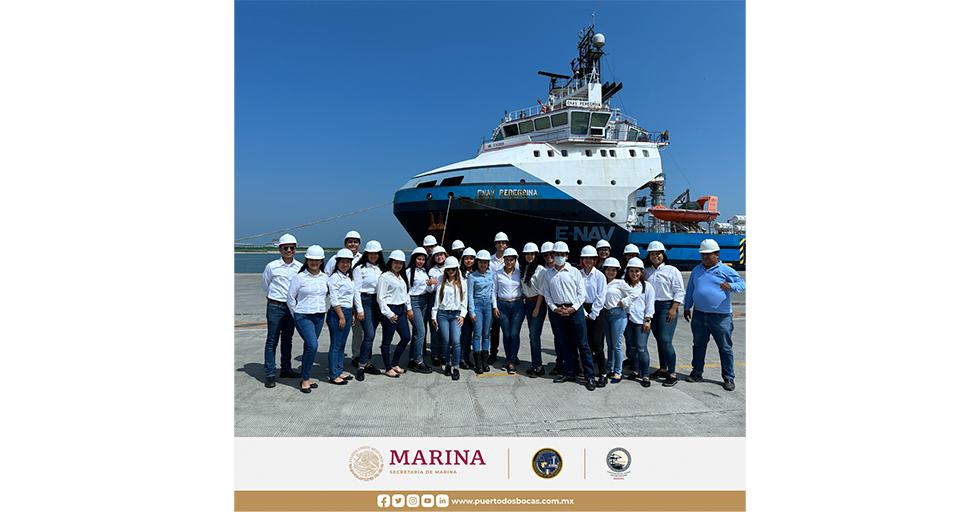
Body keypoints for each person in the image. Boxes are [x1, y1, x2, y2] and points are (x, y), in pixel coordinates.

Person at [683, 239, 745, 391]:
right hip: (699, 314)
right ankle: (697, 372)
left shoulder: (726, 270)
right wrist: (686, 307)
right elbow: (691, 289)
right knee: (698, 345)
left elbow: (742, 284)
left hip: (720, 317)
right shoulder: (697, 270)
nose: (705, 257)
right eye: (703, 254)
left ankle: (728, 377)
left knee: (725, 348)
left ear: (717, 254)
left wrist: (731, 286)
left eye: (708, 254)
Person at [541, 241, 597, 391]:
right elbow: (547, 294)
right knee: (564, 343)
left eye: (561, 254)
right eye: (556, 254)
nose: (559, 257)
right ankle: (569, 372)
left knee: (583, 344)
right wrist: (554, 309)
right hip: (558, 312)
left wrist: (572, 309)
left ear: (567, 256)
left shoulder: (575, 272)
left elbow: (581, 294)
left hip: (575, 311)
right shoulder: (548, 274)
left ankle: (589, 376)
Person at [286, 245, 329, 393]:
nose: (314, 263)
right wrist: (296, 314)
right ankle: (305, 380)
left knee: (308, 347)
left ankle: (307, 377)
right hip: (303, 316)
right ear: (306, 260)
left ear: (322, 261)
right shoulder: (300, 277)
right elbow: (290, 298)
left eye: (317, 260)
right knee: (313, 345)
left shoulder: (325, 277)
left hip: (319, 316)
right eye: (311, 260)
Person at [261, 233, 302, 388]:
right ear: (280, 249)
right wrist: (271, 299)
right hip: (275, 306)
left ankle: (286, 368)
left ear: (295, 249)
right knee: (272, 340)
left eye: (292, 247)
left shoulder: (299, 267)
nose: (289, 250)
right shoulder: (272, 266)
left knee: (287, 339)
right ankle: (270, 373)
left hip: (291, 307)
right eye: (286, 248)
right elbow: (265, 285)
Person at [644, 241, 685, 387]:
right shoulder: (647, 271)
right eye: (652, 254)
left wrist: (673, 309)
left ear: (663, 254)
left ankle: (672, 373)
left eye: (658, 254)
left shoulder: (672, 270)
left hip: (667, 306)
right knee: (659, 340)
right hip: (652, 307)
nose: (655, 256)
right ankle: (663, 369)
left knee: (665, 340)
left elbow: (679, 291)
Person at [600, 258, 639, 384]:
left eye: (613, 270)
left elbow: (634, 294)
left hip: (618, 315)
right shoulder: (602, 282)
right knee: (609, 344)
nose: (610, 272)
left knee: (616, 345)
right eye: (608, 269)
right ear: (604, 270)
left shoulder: (620, 283)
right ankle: (609, 368)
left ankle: (618, 372)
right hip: (606, 315)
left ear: (617, 271)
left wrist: (624, 302)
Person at [352, 240, 386, 380]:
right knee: (369, 334)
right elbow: (356, 290)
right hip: (366, 302)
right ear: (366, 253)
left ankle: (368, 363)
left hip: (378, 303)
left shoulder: (381, 268)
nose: (373, 255)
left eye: (376, 253)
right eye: (370, 253)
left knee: (372, 334)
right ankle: (361, 366)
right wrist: (359, 310)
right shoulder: (360, 268)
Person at [376, 250, 413, 378]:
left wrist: (408, 308)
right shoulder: (385, 277)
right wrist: (388, 314)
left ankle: (395, 363)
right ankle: (388, 368)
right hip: (389, 311)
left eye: (400, 263)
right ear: (390, 262)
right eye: (395, 263)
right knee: (387, 341)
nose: (398, 265)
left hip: (400, 311)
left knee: (406, 337)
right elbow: (380, 298)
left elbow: (405, 294)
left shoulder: (401, 277)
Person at [432, 256, 468, 381]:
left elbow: (465, 302)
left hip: (456, 315)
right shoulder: (442, 283)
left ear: (457, 269)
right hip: (442, 314)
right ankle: (448, 364)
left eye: (453, 269)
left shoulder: (462, 283)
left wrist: (463, 315)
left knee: (456, 341)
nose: (451, 272)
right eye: (448, 269)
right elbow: (436, 302)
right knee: (446, 341)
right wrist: (433, 316)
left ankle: (456, 367)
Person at [622, 257, 656, 388]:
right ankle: (635, 370)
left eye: (637, 271)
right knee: (631, 347)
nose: (634, 274)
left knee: (641, 347)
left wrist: (647, 320)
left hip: (641, 321)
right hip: (627, 320)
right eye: (631, 271)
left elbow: (649, 305)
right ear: (628, 272)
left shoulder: (647, 287)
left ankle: (645, 374)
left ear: (641, 272)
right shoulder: (624, 285)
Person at [326, 248, 357, 385]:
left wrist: (353, 314)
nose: (345, 265)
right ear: (337, 263)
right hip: (338, 313)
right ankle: (333, 375)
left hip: (348, 312)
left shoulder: (348, 277)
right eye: (342, 262)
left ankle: (339, 370)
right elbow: (334, 300)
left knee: (342, 344)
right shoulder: (334, 278)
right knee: (335, 344)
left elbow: (351, 297)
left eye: (348, 262)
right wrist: (342, 317)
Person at [492, 247, 524, 374]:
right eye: (507, 260)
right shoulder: (497, 273)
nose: (509, 262)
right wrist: (495, 306)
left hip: (517, 305)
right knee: (507, 334)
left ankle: (511, 362)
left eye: (512, 260)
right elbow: (494, 291)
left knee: (514, 334)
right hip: (502, 305)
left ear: (515, 261)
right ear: (503, 260)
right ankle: (509, 358)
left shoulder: (519, 273)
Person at [579, 245, 607, 387]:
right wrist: (584, 312)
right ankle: (588, 373)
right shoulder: (578, 274)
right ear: (582, 259)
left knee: (596, 343)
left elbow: (601, 296)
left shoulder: (600, 276)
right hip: (582, 309)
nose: (588, 261)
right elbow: (576, 294)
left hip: (597, 310)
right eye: (586, 258)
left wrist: (593, 313)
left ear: (595, 260)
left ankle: (603, 373)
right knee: (585, 344)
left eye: (591, 258)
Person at [487, 231, 515, 365]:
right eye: (499, 243)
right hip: (494, 298)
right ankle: (493, 353)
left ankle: (511, 354)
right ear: (495, 244)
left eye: (503, 243)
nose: (501, 245)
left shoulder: (513, 259)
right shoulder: (490, 260)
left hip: (507, 299)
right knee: (495, 329)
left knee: (509, 330)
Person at [520, 243, 547, 377]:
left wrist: (537, 308)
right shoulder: (525, 268)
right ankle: (534, 364)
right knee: (532, 335)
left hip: (537, 303)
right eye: (527, 254)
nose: (529, 256)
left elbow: (542, 290)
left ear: (536, 255)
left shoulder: (541, 270)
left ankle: (539, 366)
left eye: (532, 254)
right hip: (528, 304)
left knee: (534, 336)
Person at [406, 247, 434, 373]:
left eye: (423, 259)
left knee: (417, 332)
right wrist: (409, 309)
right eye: (419, 259)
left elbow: (427, 289)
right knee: (421, 332)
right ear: (413, 259)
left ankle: (412, 358)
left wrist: (431, 284)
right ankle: (419, 361)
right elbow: (406, 291)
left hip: (424, 301)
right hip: (414, 301)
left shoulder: (424, 271)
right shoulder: (408, 272)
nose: (421, 261)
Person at [467, 250, 495, 374]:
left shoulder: (492, 275)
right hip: (477, 305)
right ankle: (478, 362)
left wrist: (494, 306)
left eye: (485, 262)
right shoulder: (472, 277)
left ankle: (485, 361)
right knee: (477, 334)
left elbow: (494, 291)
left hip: (488, 305)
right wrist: (472, 312)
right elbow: (470, 295)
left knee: (487, 333)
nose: (483, 264)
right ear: (477, 263)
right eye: (481, 262)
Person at [425, 245, 449, 366]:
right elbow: (430, 290)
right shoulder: (432, 270)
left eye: (441, 255)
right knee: (435, 328)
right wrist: (430, 283)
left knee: (445, 329)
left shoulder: (451, 267)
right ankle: (435, 354)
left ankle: (443, 353)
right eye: (437, 255)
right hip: (435, 298)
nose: (440, 257)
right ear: (433, 258)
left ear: (445, 255)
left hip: (448, 298)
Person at [457, 248, 478, 369]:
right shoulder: (459, 273)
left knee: (471, 333)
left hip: (475, 306)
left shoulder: (477, 272)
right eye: (466, 258)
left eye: (471, 258)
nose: (469, 261)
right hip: (463, 307)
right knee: (464, 333)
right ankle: (461, 358)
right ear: (462, 259)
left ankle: (467, 357)